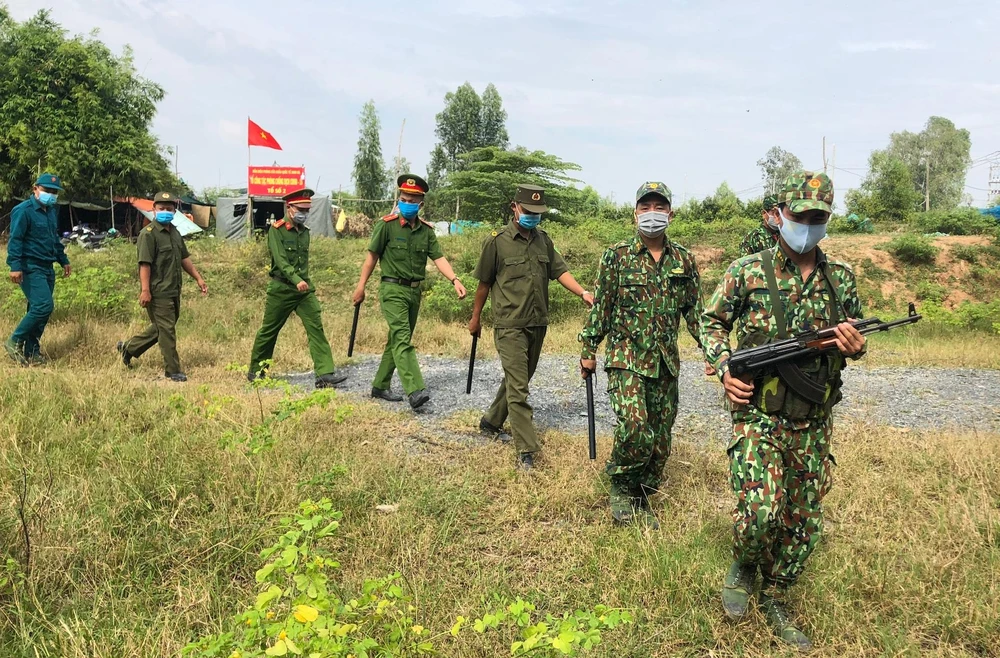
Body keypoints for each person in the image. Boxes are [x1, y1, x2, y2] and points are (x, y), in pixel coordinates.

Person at [701, 172, 866, 650]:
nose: (809, 226)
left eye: (819, 218)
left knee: (801, 520)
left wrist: (854, 347)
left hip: (813, 418)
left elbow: (852, 337)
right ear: (780, 215)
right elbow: (711, 323)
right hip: (757, 413)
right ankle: (744, 564)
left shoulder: (841, 280)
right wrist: (722, 365)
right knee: (759, 511)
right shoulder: (746, 271)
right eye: (801, 216)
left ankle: (777, 593)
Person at [578, 182, 704, 526]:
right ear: (635, 213)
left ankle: (643, 490)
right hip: (626, 358)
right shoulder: (616, 256)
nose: (652, 214)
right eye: (645, 207)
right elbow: (601, 308)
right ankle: (621, 486)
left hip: (665, 362)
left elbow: (695, 312)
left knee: (661, 438)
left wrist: (713, 351)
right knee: (636, 428)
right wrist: (589, 348)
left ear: (671, 214)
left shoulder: (684, 260)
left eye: (659, 207)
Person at [469, 184, 594, 470]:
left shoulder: (543, 241)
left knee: (518, 379)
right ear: (514, 207)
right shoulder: (497, 241)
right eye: (528, 211)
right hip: (509, 325)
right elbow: (484, 284)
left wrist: (583, 293)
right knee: (519, 387)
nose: (533, 217)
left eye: (538, 213)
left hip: (538, 324)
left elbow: (559, 271)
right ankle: (526, 449)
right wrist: (475, 319)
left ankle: (490, 422)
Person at [352, 174, 467, 409]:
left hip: (415, 292)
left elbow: (439, 258)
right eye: (404, 199)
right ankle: (415, 390)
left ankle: (380, 385)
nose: (407, 203)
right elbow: (371, 258)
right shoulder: (386, 226)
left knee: (397, 339)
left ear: (420, 204)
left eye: (412, 201)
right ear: (398, 199)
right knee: (402, 337)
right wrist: (361, 286)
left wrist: (454, 279)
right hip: (392, 288)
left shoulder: (426, 231)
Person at [247, 188, 347, 389]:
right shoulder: (277, 230)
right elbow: (281, 261)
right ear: (289, 207)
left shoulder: (305, 232)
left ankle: (324, 373)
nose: (304, 213)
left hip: (304, 290)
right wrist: (295, 279)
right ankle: (256, 372)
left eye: (307, 209)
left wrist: (304, 283)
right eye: (301, 209)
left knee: (316, 328)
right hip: (282, 289)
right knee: (269, 331)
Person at [117, 191, 207, 382]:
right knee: (167, 331)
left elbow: (184, 258)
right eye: (161, 208)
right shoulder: (148, 235)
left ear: (175, 210)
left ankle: (128, 348)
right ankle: (172, 370)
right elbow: (144, 264)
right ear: (154, 210)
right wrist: (145, 290)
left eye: (169, 208)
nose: (165, 211)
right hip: (158, 291)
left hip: (174, 289)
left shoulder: (174, 232)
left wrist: (198, 278)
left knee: (162, 327)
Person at [5, 173, 71, 365]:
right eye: (46, 190)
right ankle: (14, 340)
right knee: (44, 306)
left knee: (39, 310)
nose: (50, 195)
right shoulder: (23, 210)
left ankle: (32, 351)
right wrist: (15, 266)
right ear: (35, 189)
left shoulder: (51, 211)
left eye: (54, 192)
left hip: (47, 265)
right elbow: (15, 239)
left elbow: (53, 238)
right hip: (30, 266)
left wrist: (63, 259)